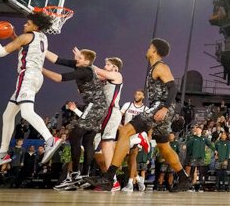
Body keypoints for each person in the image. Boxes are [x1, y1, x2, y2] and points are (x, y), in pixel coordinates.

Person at [85, 38, 192, 192]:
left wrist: (165, 108)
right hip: (162, 109)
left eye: (149, 47)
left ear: (154, 51)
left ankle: (108, 177)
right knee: (164, 147)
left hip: (160, 107)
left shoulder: (160, 67)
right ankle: (184, 179)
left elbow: (173, 88)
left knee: (125, 131)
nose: (147, 49)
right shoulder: (155, 68)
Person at [0, 13, 62, 170]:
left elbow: (0, 53)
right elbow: (25, 45)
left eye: (28, 23)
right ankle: (3, 154)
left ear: (36, 26)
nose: (24, 25)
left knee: (26, 113)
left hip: (27, 77)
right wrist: (14, 37)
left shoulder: (26, 36)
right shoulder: (42, 37)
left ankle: (50, 140)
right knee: (8, 115)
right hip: (35, 77)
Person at [42, 47, 108, 190]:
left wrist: (39, 69)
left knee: (75, 136)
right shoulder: (81, 65)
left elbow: (59, 78)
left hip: (95, 106)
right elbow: (57, 59)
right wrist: (41, 49)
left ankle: (76, 175)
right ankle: (84, 176)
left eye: (80, 58)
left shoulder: (84, 71)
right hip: (99, 106)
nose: (76, 59)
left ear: (87, 62)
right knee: (88, 139)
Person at [93, 57, 124, 172]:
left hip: (112, 112)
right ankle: (108, 175)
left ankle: (112, 177)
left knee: (107, 143)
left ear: (115, 68)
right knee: (99, 146)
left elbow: (96, 70)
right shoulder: (104, 79)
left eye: (108, 64)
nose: (105, 66)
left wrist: (87, 62)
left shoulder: (117, 75)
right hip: (103, 113)